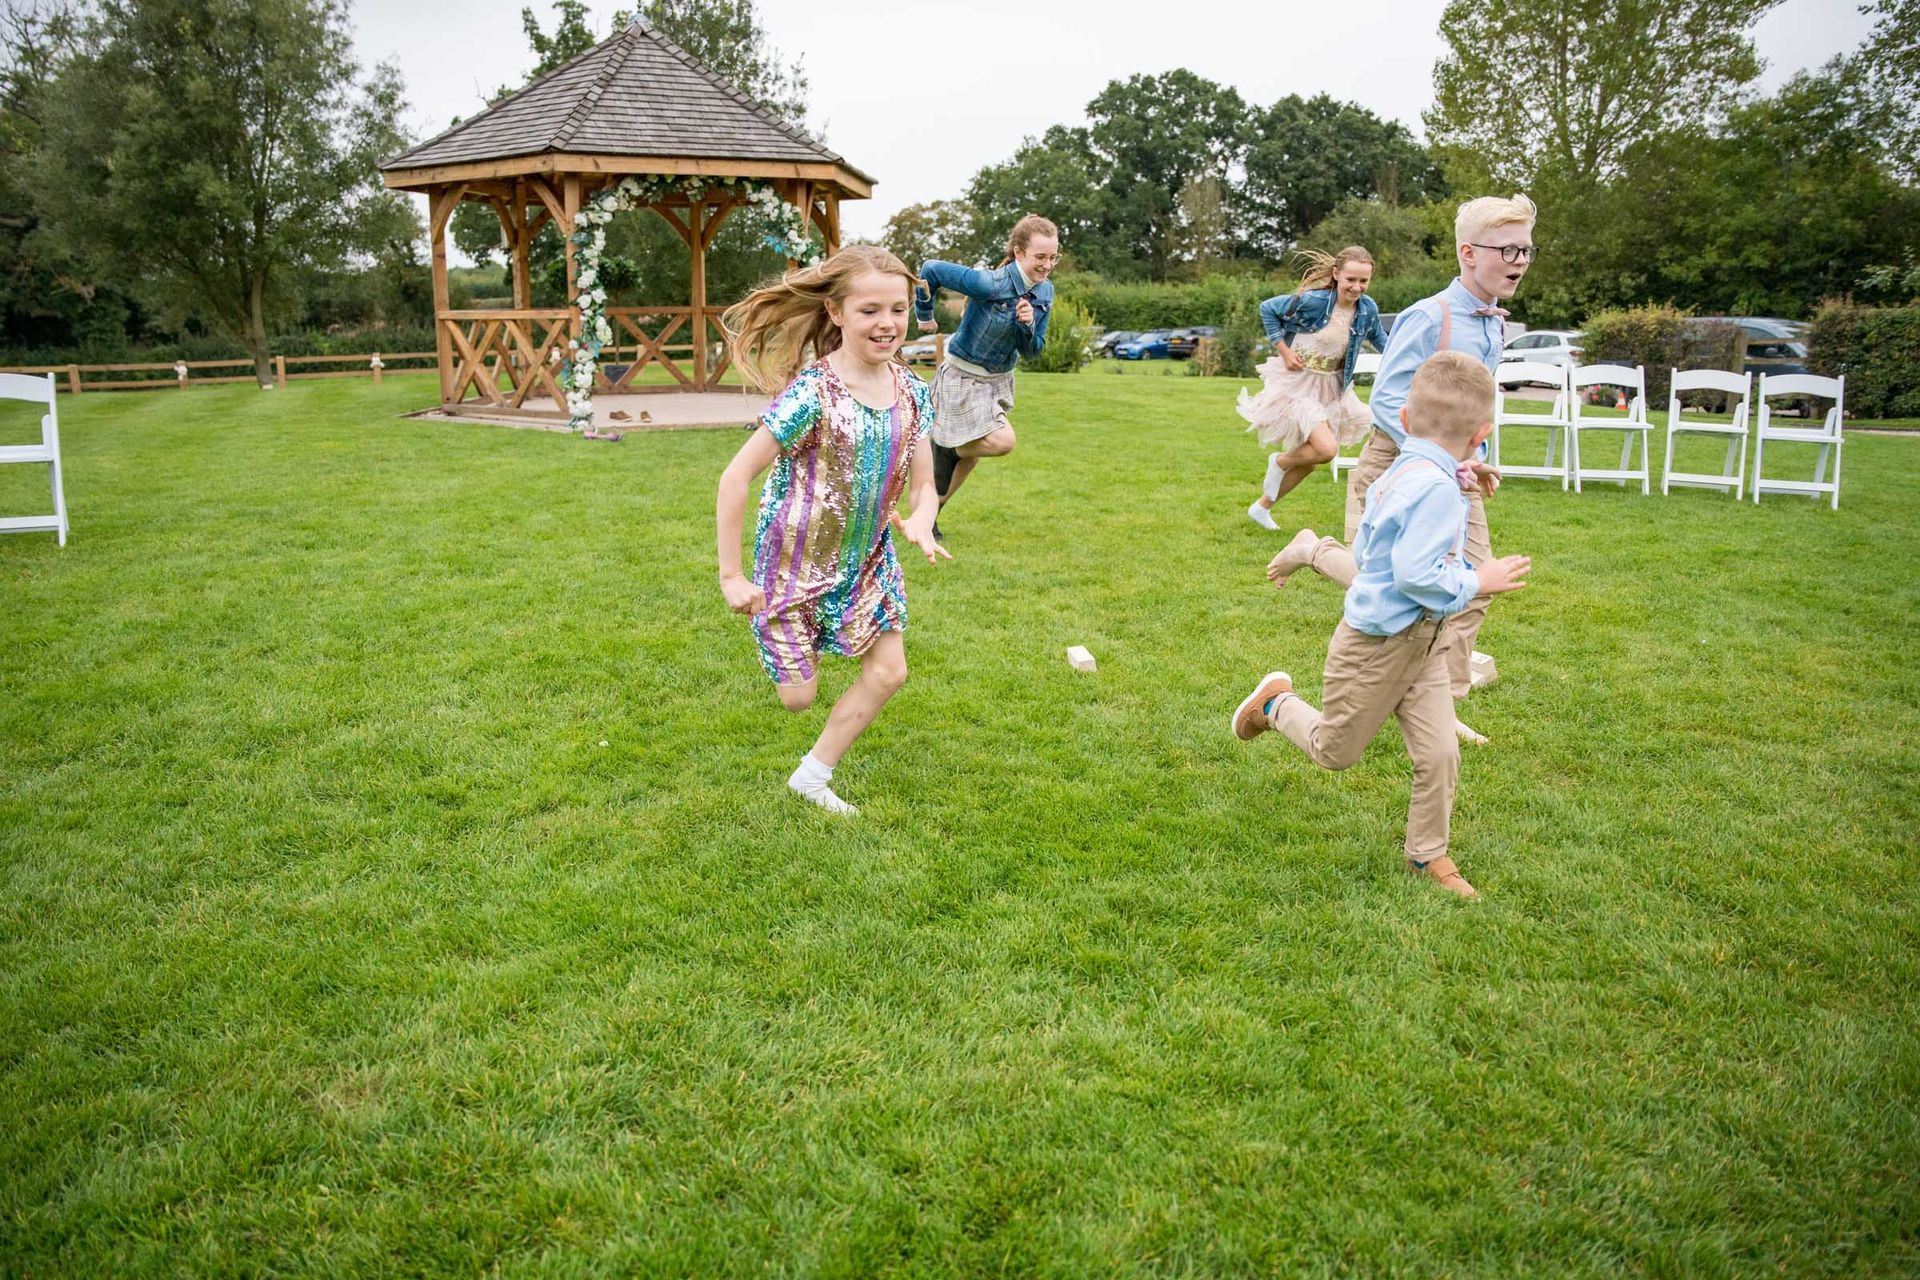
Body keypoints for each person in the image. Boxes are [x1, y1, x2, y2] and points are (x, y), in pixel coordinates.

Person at [1231, 352, 1534, 898]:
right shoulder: (1435, 488)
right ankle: (1275, 705)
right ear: (1482, 431)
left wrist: (1463, 471)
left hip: (1425, 645)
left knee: (1440, 753)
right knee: (1334, 751)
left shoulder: (1412, 468)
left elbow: (1387, 540)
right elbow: (1416, 573)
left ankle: (1427, 855)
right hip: (1375, 648)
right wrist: (1476, 580)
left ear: (1408, 421)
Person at [1265, 194, 1538, 743]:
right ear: (1468, 252)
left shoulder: (1493, 323)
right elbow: (1390, 398)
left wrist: (1473, 458)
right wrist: (1443, 455)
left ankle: (1444, 699)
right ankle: (1312, 550)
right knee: (1383, 582)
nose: (1521, 260)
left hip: (1456, 472)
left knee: (1475, 584)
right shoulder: (1428, 315)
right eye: (1508, 249)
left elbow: (1465, 409)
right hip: (1397, 463)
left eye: (1527, 249)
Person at [715, 246, 948, 816]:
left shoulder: (914, 392)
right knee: (799, 699)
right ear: (838, 313)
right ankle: (786, 637)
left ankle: (811, 778)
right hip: (792, 563)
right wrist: (731, 575)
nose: (887, 323)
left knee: (890, 671)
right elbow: (736, 475)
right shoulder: (812, 393)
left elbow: (925, 482)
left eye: (897, 309)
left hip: (867, 557)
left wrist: (922, 516)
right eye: (870, 310)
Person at [913, 214, 1059, 538]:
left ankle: (930, 514)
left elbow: (1034, 350)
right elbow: (930, 270)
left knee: (974, 456)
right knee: (1002, 441)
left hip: (997, 381)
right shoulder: (989, 283)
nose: (1047, 265)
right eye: (1040, 257)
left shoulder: (1045, 292)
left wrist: (1028, 324)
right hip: (963, 376)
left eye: (1053, 257)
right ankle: (947, 449)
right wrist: (924, 315)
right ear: (1019, 253)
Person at [1239, 246, 1389, 527]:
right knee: (1326, 449)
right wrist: (1284, 350)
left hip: (1331, 388)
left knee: (1309, 460)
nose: (1356, 287)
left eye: (1363, 281)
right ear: (1336, 275)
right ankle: (1280, 461)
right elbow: (1267, 309)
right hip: (1298, 384)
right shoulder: (1315, 301)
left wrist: (1413, 357)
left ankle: (1262, 507)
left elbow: (1383, 342)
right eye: (1350, 280)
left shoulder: (1367, 309)